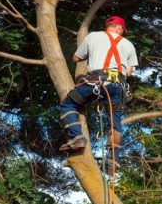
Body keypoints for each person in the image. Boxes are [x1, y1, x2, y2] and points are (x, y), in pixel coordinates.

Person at [58, 16, 138, 170]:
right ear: (120, 28)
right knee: (115, 121)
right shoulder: (129, 45)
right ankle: (113, 158)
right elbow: (128, 73)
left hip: (96, 83)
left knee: (68, 104)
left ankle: (77, 138)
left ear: (108, 25)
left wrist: (93, 54)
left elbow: (76, 58)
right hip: (117, 87)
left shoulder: (93, 36)